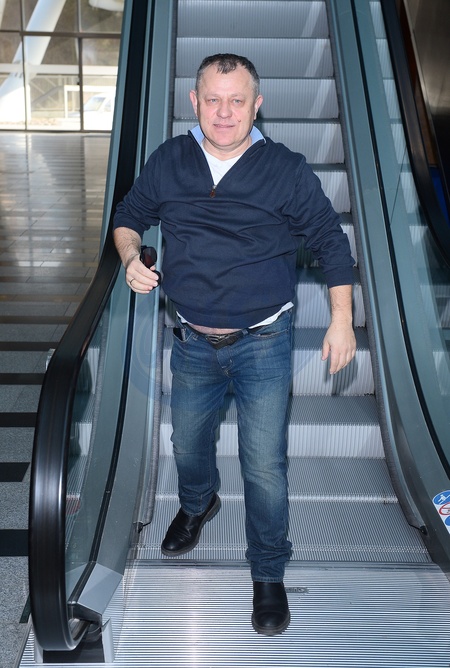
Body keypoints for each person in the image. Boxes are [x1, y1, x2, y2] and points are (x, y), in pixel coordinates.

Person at [113, 53, 356, 636]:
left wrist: (342, 320)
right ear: (194, 102)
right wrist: (130, 257)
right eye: (213, 100)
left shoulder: (285, 169)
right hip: (191, 340)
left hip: (263, 341)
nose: (224, 113)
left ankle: (268, 572)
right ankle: (199, 503)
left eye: (237, 100)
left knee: (264, 465)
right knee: (187, 444)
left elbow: (330, 241)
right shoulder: (170, 159)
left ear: (257, 104)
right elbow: (128, 215)